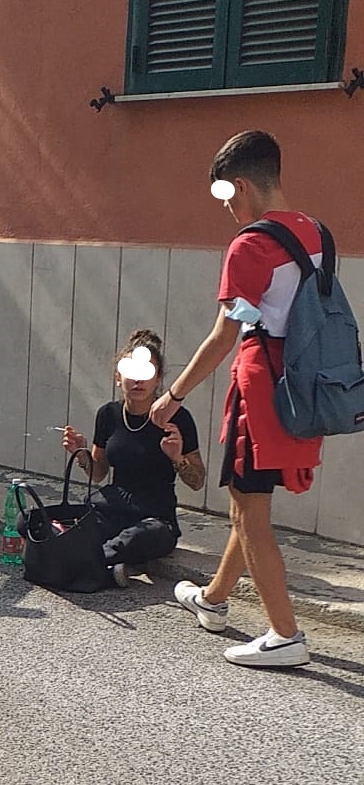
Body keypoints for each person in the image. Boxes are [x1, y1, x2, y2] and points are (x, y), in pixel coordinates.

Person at [151, 130, 321, 669]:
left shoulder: (250, 245)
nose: (226, 208)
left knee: (250, 511)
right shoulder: (315, 234)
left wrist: (173, 394)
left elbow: (225, 335)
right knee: (248, 504)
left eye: (225, 195)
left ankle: (285, 635)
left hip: (262, 392)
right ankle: (214, 599)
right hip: (303, 387)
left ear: (240, 185)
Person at [62, 330, 205, 586]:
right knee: (40, 521)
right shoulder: (108, 414)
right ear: (118, 377)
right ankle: (101, 568)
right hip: (111, 508)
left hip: (155, 516)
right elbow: (98, 473)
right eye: (131, 372)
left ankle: (82, 562)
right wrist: (80, 453)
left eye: (147, 372)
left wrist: (177, 458)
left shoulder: (177, 418)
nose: (138, 381)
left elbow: (197, 481)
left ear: (158, 378)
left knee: (138, 538)